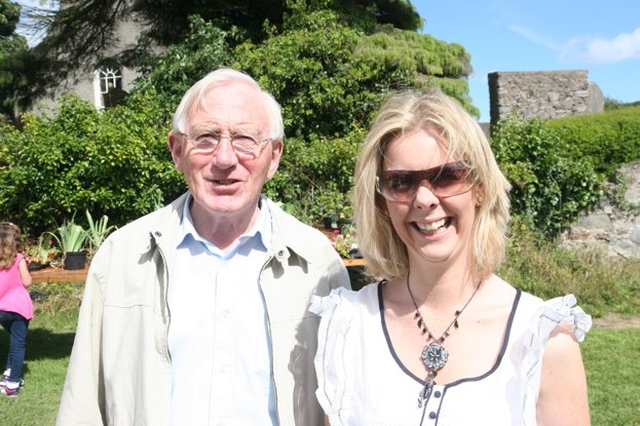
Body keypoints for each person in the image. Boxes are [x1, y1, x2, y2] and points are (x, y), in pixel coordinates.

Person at [56, 68, 350, 425]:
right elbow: (82, 405)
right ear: (177, 150)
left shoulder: (320, 265)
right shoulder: (121, 258)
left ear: (273, 157)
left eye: (244, 138)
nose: (225, 158)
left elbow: (344, 405)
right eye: (207, 137)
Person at [310, 89, 592, 425]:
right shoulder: (349, 327)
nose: (424, 198)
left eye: (446, 176)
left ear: (480, 187)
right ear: (381, 200)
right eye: (401, 182)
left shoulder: (542, 341)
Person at [0, 222, 33, 397]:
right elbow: (27, 282)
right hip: (19, 308)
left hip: (2, 310)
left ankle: (7, 375)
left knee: (13, 340)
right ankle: (12, 385)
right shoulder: (18, 258)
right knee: (18, 345)